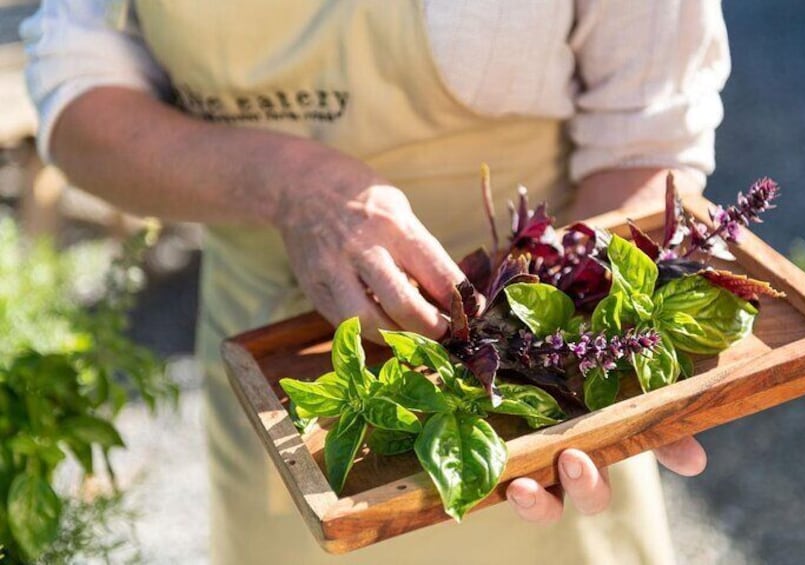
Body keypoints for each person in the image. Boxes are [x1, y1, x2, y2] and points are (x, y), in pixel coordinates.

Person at [21, 1, 730, 563]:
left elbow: (648, 130)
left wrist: (564, 371)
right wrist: (288, 184)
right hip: (292, 394)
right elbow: (78, 95)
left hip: (535, 384)